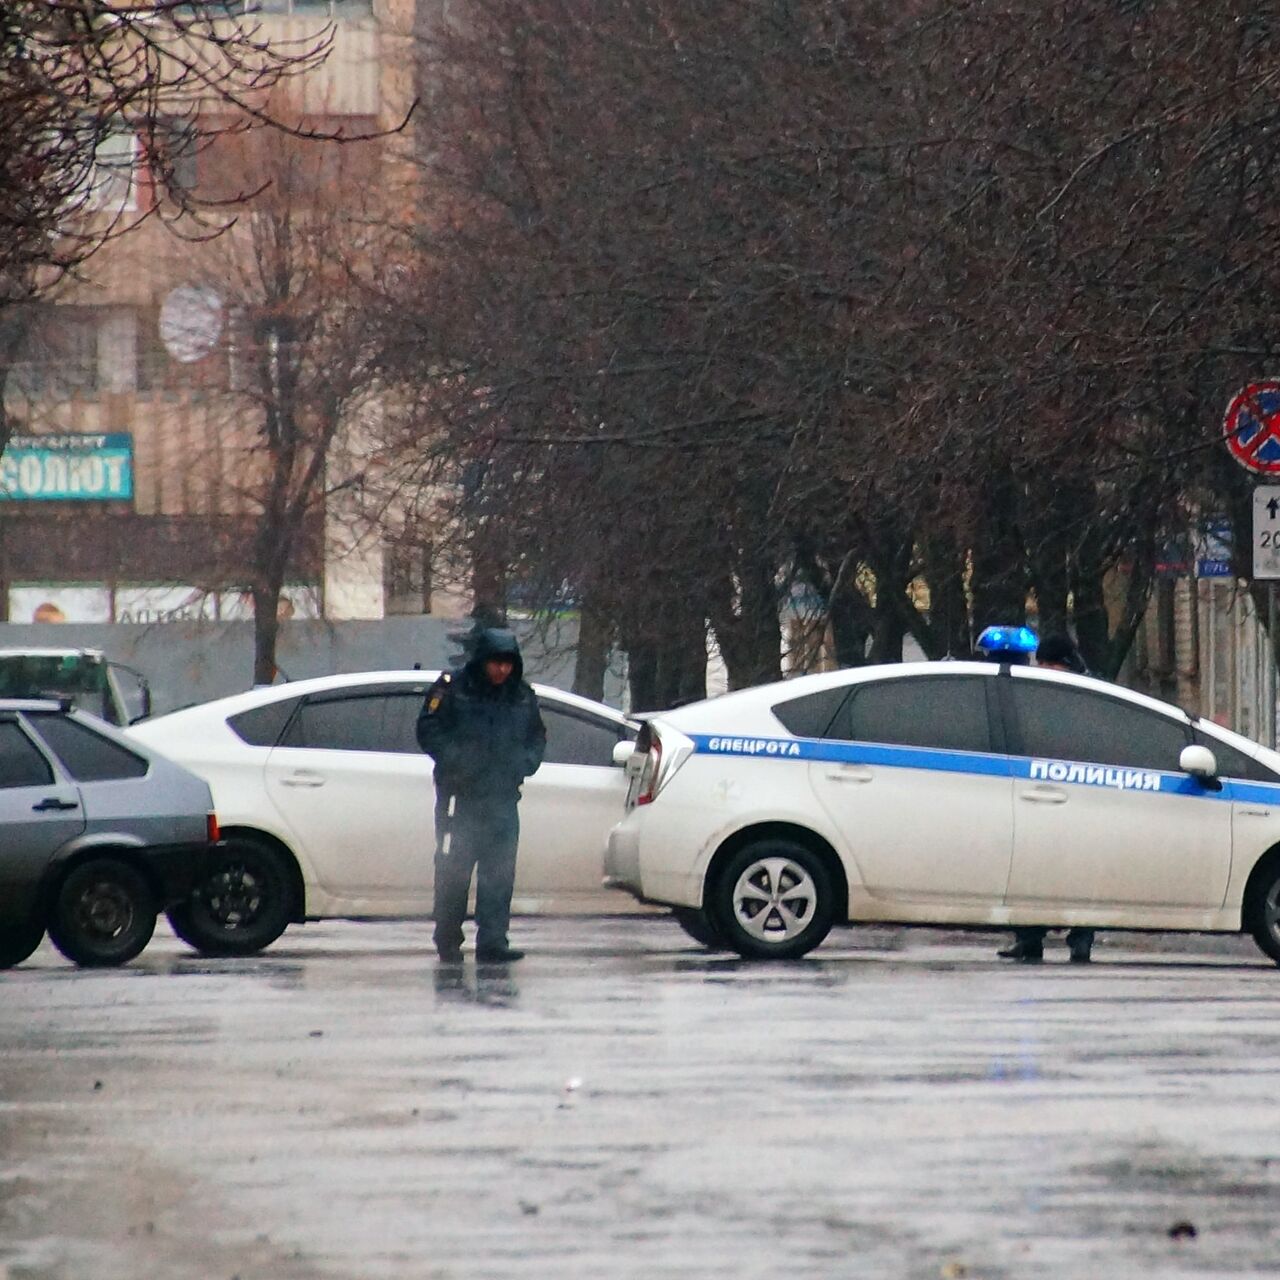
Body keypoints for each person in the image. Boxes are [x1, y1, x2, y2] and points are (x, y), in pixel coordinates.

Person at [416, 627, 546, 965]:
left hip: (502, 799)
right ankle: (447, 939)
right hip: (460, 799)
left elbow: (536, 737)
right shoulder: (453, 689)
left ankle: (492, 943)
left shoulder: (521, 695)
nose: (501, 670)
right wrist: (458, 760)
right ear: (481, 661)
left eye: (507, 663)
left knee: (499, 874)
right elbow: (428, 729)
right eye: (495, 663)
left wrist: (524, 764)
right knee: (453, 872)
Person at [996, 632, 1095, 964]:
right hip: (1039, 796)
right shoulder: (1035, 695)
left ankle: (1079, 938)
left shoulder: (1084, 697)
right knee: (1032, 865)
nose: (1045, 670)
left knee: (1079, 869)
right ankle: (1028, 937)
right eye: (1043, 664)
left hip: (1078, 797)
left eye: (1051, 665)